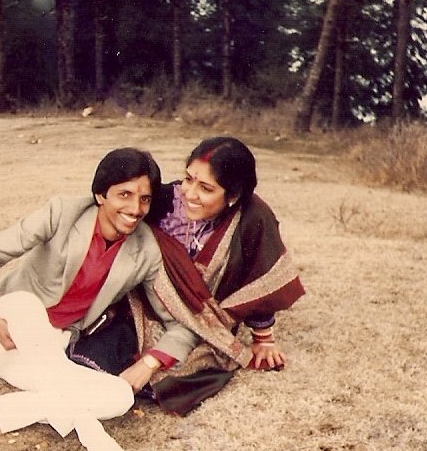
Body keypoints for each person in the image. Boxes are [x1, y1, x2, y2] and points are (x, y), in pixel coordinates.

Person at [0, 148, 197, 451]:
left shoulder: (146, 249)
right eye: (124, 195)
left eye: (144, 199)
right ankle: (93, 436)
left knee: (120, 396)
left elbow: (179, 323)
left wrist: (150, 363)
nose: (135, 209)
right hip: (1, 332)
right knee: (27, 305)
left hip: (51, 350)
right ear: (100, 194)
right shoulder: (62, 213)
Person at [128, 136, 306, 416]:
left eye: (206, 188)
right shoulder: (165, 199)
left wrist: (263, 339)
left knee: (189, 367)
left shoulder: (253, 218)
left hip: (205, 320)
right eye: (188, 179)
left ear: (232, 195)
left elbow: (259, 277)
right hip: (149, 305)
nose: (190, 194)